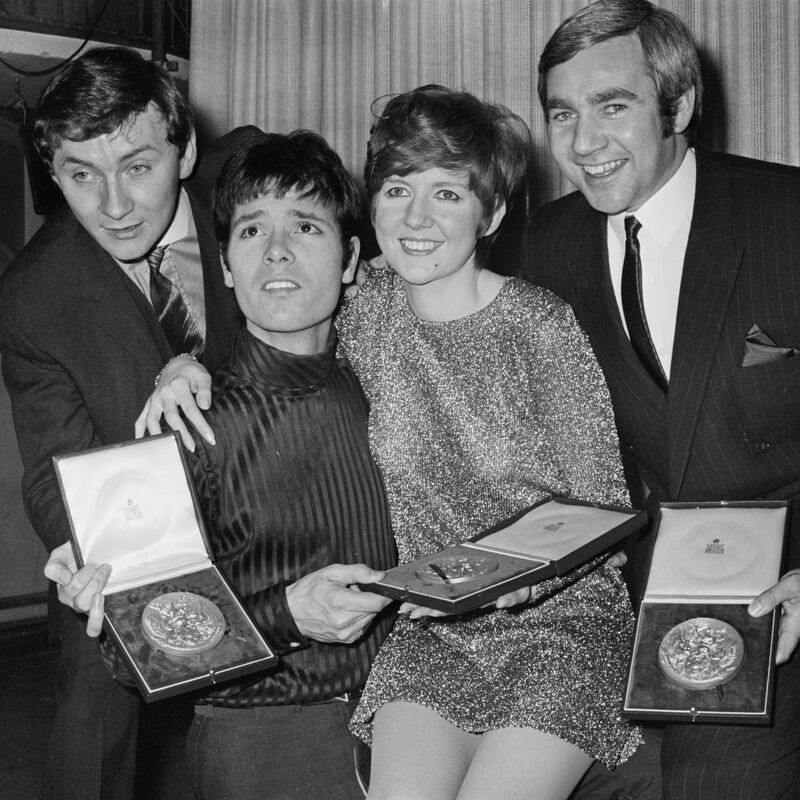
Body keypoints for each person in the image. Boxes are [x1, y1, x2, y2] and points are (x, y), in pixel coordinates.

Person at [136, 85, 642, 799]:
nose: (416, 218)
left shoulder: (540, 324)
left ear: (490, 212)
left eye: (447, 194)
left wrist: (512, 579)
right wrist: (182, 362)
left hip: (558, 623)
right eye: (399, 188)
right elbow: (272, 292)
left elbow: (602, 507)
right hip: (431, 631)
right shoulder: (365, 305)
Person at [47, 131, 397, 799]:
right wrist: (289, 614)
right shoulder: (190, 425)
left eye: (306, 225)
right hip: (265, 740)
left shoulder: (385, 380)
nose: (278, 251)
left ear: (353, 258)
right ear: (227, 265)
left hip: (415, 723)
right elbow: (138, 653)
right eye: (251, 229)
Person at [527, 2, 800, 798]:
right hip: (651, 598)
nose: (583, 144)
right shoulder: (549, 242)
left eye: (614, 107)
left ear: (680, 106)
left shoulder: (787, 217)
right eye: (562, 114)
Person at [0, 46, 263, 800]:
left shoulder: (253, 187)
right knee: (89, 677)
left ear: (184, 152)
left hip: (294, 494)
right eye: (82, 175)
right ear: (54, 175)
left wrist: (217, 375)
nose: (113, 204)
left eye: (138, 166)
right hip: (148, 538)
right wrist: (85, 555)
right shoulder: (32, 296)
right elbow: (54, 469)